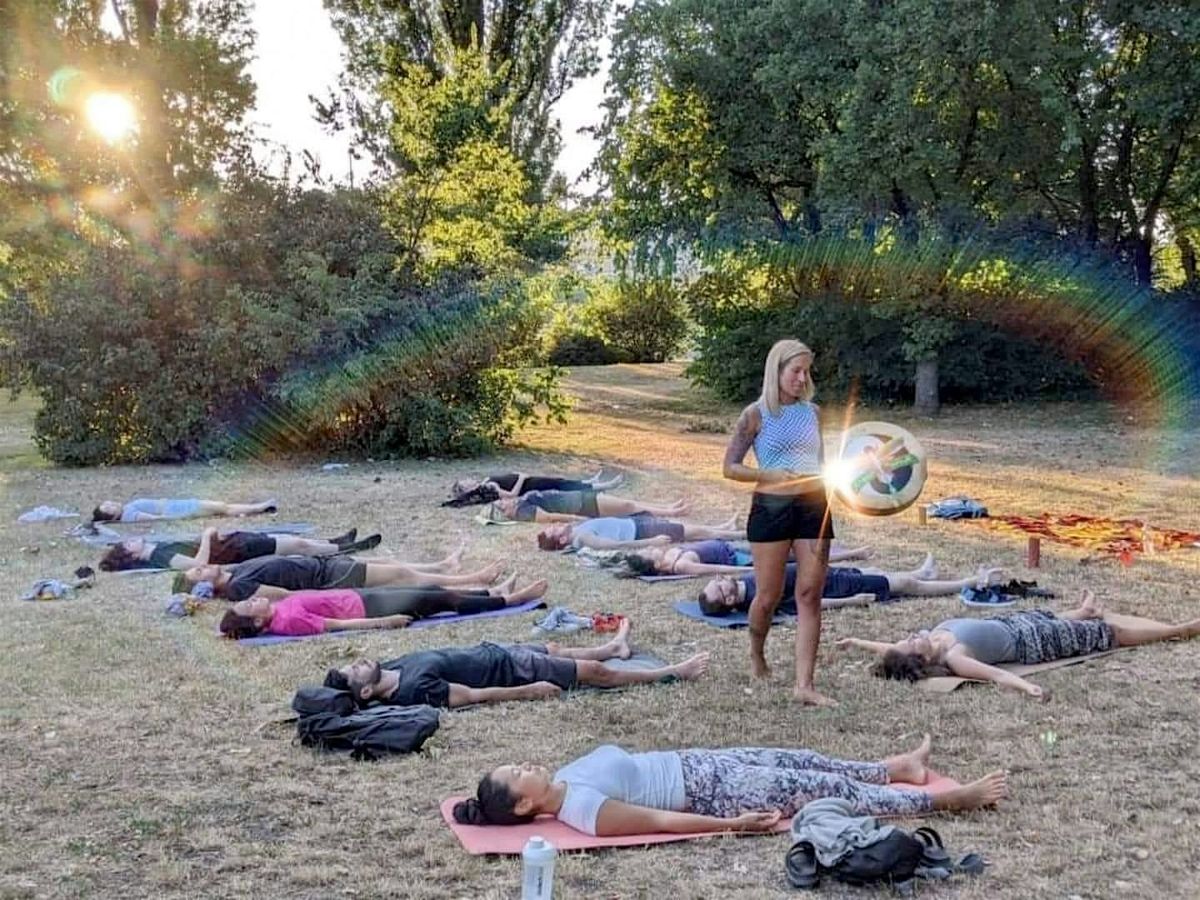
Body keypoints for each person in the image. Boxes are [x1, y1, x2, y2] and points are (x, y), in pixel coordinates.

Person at [451, 734, 1007, 834]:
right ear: (524, 805)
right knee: (817, 790)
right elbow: (664, 822)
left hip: (700, 760)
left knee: (805, 759)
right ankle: (944, 799)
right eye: (516, 772)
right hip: (715, 791)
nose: (523, 763)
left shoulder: (565, 780)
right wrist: (730, 825)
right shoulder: (584, 814)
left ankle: (898, 768)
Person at [723, 338, 834, 706]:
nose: (803, 378)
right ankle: (757, 653)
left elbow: (820, 463)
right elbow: (730, 467)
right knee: (768, 596)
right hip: (771, 508)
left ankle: (805, 684)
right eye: (796, 371)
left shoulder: (814, 413)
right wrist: (767, 475)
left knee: (809, 593)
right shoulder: (755, 414)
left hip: (814, 507)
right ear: (777, 371)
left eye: (807, 371)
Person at [839, 590, 1200, 701]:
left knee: (1048, 614)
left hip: (1016, 623)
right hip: (1033, 643)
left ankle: (1082, 610)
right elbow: (995, 675)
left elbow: (888, 648)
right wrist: (1027, 685)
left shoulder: (929, 638)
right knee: (1111, 633)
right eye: (909, 642)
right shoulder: (956, 657)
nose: (910, 636)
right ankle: (1178, 630)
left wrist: (857, 640)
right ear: (919, 658)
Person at [324, 619, 710, 708]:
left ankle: (611, 646)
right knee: (595, 676)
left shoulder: (391, 666)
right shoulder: (412, 689)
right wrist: (530, 691)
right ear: (365, 689)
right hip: (511, 671)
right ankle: (672, 672)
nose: (358, 662)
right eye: (354, 671)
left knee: (555, 648)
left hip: (496, 650)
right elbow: (473, 696)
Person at [217, 575, 550, 639]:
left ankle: (489, 591)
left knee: (431, 590)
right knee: (441, 601)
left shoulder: (278, 609)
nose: (255, 599)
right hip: (367, 610)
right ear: (258, 623)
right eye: (250, 606)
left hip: (360, 597)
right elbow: (336, 627)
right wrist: (386, 621)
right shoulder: (288, 623)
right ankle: (510, 600)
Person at [697, 555, 1005, 615]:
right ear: (729, 604)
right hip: (836, 588)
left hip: (828, 573)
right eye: (722, 592)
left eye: (719, 582)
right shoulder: (763, 599)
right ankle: (969, 581)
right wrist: (854, 601)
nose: (724, 584)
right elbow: (810, 605)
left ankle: (923, 572)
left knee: (875, 569)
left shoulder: (748, 582)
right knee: (904, 585)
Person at [181, 549, 501, 602]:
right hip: (328, 577)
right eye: (199, 571)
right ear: (205, 583)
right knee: (400, 575)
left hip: (321, 564)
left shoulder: (233, 571)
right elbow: (286, 596)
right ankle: (474, 579)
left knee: (390, 565)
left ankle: (444, 566)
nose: (204, 564)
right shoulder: (240, 586)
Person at [98, 526, 380, 572]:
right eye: (128, 544)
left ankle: (335, 544)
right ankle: (341, 549)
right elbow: (198, 565)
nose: (133, 539)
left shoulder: (156, 549)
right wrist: (207, 535)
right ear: (131, 554)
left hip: (234, 541)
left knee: (289, 540)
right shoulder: (161, 555)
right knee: (295, 545)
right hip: (236, 550)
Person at [586, 541, 875, 578]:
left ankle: (849, 552)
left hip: (735, 548)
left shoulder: (670, 555)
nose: (653, 549)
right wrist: (754, 567)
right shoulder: (681, 565)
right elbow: (718, 568)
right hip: (740, 558)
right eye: (649, 553)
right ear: (653, 563)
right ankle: (852, 555)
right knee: (798, 557)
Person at [537, 514, 744, 552]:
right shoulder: (583, 538)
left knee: (686, 528)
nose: (556, 524)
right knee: (691, 531)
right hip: (640, 532)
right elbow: (614, 546)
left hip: (635, 524)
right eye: (554, 529)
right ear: (562, 539)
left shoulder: (576, 530)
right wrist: (650, 542)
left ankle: (725, 528)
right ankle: (736, 535)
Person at [490, 490, 690, 524]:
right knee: (627, 506)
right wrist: (578, 520)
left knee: (626, 503)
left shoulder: (521, 501)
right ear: (505, 512)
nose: (504, 501)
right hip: (582, 506)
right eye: (502, 505)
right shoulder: (524, 511)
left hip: (579, 498)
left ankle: (666, 507)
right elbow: (549, 517)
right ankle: (670, 512)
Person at [446, 471, 624, 506]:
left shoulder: (485, 482)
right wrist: (522, 479)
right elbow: (511, 495)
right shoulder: (487, 486)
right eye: (466, 483)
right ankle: (601, 486)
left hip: (530, 482)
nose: (469, 480)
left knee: (559, 481)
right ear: (468, 489)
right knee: (561, 487)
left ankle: (589, 482)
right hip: (528, 486)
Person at [91, 497, 277, 523]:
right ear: (113, 515)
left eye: (106, 502)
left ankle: (254, 509)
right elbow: (156, 518)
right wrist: (179, 516)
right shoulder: (130, 514)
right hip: (178, 509)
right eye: (107, 508)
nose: (110, 503)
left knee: (222, 508)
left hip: (177, 505)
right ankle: (261, 507)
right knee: (223, 508)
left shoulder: (128, 508)